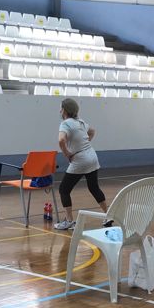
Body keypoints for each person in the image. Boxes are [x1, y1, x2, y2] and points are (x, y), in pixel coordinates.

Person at [54, 98, 107, 231]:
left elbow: (61, 140)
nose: (60, 111)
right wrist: (85, 144)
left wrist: (67, 154)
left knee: (64, 189)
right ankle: (108, 216)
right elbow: (92, 131)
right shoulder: (80, 122)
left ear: (65, 110)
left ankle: (69, 221)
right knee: (94, 187)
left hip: (80, 160)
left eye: (61, 108)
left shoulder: (65, 124)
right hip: (92, 156)